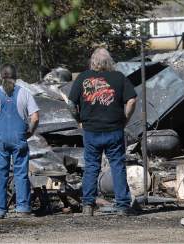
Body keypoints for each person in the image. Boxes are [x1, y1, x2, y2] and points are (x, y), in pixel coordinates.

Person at [68, 48, 137, 216]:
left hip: (91, 131)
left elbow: (71, 103)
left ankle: (88, 205)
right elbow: (132, 99)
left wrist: (78, 121)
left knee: (91, 167)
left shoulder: (83, 78)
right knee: (117, 166)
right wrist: (125, 119)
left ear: (93, 62)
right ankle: (122, 205)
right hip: (114, 129)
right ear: (109, 62)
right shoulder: (119, 77)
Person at [0, 64, 40, 219]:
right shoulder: (25, 93)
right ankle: (23, 208)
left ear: (1, 76)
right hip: (19, 138)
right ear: (16, 77)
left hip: (0, 139)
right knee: (21, 174)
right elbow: (35, 117)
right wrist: (29, 132)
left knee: (0, 174)